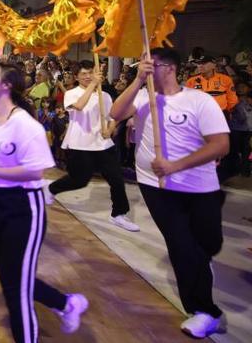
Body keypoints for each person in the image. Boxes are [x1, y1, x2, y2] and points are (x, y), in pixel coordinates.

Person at [0, 63, 88, 342]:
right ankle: (66, 304)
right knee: (10, 276)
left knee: (16, 287)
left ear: (6, 85)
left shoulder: (25, 124)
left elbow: (35, 171)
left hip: (25, 206)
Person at [110, 48, 230, 339]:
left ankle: (202, 260)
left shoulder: (198, 100)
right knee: (181, 247)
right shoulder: (142, 98)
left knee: (208, 244)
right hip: (157, 187)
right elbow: (115, 113)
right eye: (143, 63)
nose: (146, 66)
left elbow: (220, 145)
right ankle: (205, 312)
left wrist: (176, 165)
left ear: (171, 68)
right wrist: (138, 80)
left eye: (152, 63)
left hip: (200, 187)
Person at [44, 60, 140, 232]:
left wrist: (110, 130)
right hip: (80, 144)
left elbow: (113, 117)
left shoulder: (105, 96)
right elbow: (79, 106)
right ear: (77, 77)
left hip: (103, 144)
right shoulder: (72, 94)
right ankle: (51, 188)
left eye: (91, 72)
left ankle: (119, 214)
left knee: (116, 179)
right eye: (84, 74)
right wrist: (93, 85)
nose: (88, 76)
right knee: (79, 180)